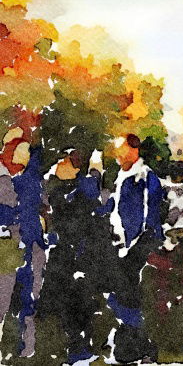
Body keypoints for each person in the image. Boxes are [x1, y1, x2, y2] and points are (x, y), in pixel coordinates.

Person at [37, 150, 114, 364]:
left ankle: (78, 345)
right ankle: (68, 344)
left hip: (77, 256)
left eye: (64, 162)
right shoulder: (57, 187)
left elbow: (95, 181)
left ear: (75, 168)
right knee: (61, 301)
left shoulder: (79, 189)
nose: (58, 165)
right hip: (65, 255)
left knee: (76, 301)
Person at [107, 134, 164, 364]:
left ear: (135, 150)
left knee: (129, 294)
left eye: (121, 150)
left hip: (136, 246)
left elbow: (151, 218)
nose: (117, 155)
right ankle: (132, 341)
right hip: (119, 244)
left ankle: (134, 345)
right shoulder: (119, 176)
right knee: (117, 293)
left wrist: (133, 247)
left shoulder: (146, 177)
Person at [0, 124, 46, 360]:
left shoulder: (28, 180)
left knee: (28, 299)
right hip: (9, 249)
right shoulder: (7, 180)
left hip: (30, 246)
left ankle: (26, 347)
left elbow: (43, 207)